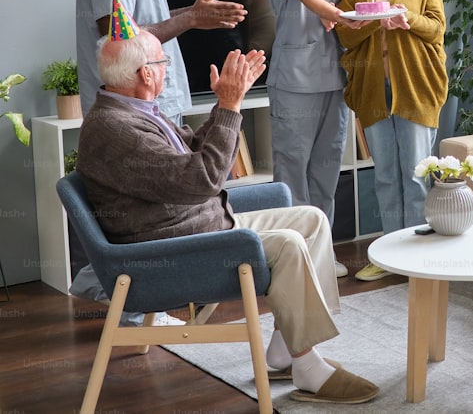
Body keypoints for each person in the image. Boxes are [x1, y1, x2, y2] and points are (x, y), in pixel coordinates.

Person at [75, 24, 379, 405]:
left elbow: (194, 155)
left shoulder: (132, 110)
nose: (166, 67)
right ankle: (307, 367)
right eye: (163, 60)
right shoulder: (117, 128)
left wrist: (224, 103)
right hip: (170, 251)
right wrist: (233, 107)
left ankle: (287, 348)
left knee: (311, 220)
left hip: (199, 224)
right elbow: (203, 178)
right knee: (287, 245)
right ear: (145, 74)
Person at [73, 0, 247, 320]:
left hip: (153, 103)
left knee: (170, 203)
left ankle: (149, 303)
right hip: (131, 109)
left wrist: (189, 13)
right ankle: (128, 300)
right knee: (146, 213)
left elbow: (139, 23)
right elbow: (119, 37)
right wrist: (191, 18)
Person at [336, 0, 448, 282]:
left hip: (415, 86)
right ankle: (387, 255)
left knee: (416, 175)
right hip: (372, 90)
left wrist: (406, 20)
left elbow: (436, 29)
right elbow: (345, 33)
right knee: (385, 176)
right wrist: (373, 21)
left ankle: (416, 259)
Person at [264, 0, 366, 277]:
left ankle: (320, 255)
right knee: (292, 172)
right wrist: (335, 13)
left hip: (333, 75)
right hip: (295, 79)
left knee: (326, 171)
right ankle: (293, 259)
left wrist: (347, 13)